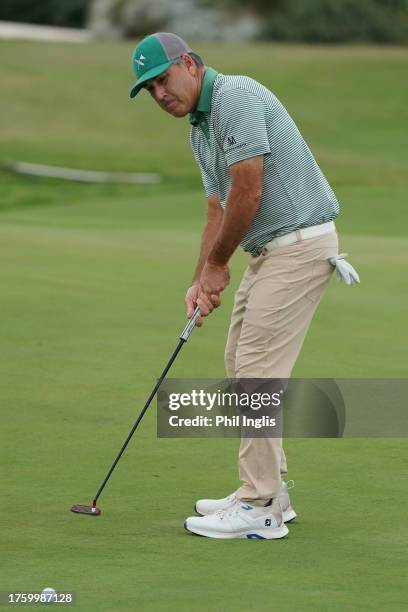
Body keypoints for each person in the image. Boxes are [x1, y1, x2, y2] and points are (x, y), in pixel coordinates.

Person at [129, 32, 359, 540]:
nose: (160, 94)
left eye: (163, 80)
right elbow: (218, 204)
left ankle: (260, 507)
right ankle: (270, 490)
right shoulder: (200, 125)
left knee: (256, 372)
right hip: (270, 250)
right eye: (149, 90)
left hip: (300, 244)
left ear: (188, 64)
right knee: (241, 364)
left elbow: (249, 189)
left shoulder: (236, 97)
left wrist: (218, 266)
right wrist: (201, 277)